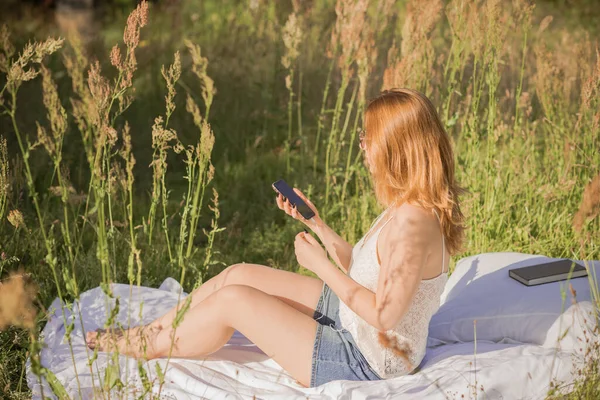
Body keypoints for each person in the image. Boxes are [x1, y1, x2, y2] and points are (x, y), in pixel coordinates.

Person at [86, 88, 466, 388]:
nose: (362, 146)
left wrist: (319, 264)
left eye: (369, 139)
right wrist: (319, 226)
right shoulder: (409, 205)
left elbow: (385, 315)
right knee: (240, 275)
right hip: (355, 323)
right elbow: (368, 273)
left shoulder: (414, 226)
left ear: (395, 150)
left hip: (367, 358)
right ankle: (150, 332)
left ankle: (149, 347)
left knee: (233, 301)